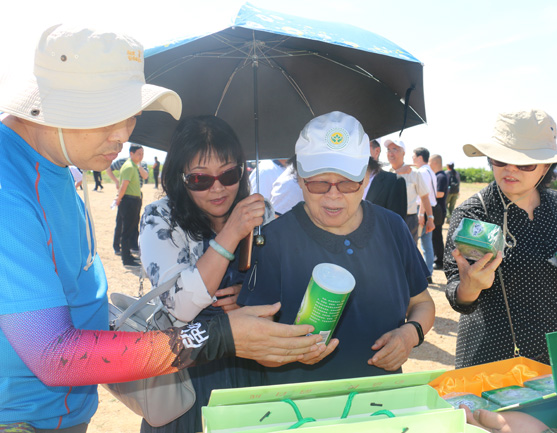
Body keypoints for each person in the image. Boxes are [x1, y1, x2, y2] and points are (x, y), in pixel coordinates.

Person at [0, 24, 322, 432]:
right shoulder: (7, 190)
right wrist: (218, 337)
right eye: (105, 117)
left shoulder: (61, 164)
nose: (122, 136)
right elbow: (53, 354)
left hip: (63, 411)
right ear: (51, 104)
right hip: (20, 417)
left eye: (131, 116)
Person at [238, 111, 435, 385]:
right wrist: (291, 352)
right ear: (299, 179)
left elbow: (422, 303)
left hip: (382, 402)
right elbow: (255, 340)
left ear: (366, 177)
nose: (333, 194)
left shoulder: (393, 227)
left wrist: (410, 334)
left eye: (347, 182)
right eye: (318, 182)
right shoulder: (274, 240)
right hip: (299, 406)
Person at [139, 116, 272, 433]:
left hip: (251, 371)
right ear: (179, 178)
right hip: (186, 379)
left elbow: (280, 285)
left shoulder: (259, 212)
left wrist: (251, 295)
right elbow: (180, 307)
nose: (218, 189)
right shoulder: (161, 218)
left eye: (229, 174)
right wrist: (231, 234)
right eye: (200, 180)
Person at [445, 109, 557, 368]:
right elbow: (456, 293)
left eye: (525, 164)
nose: (510, 170)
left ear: (546, 167)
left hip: (554, 351)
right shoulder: (473, 213)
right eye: (500, 160)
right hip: (492, 357)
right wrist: (470, 287)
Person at [385, 139, 434, 243]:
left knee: (409, 253)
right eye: (388, 150)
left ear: (404, 153)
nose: (391, 153)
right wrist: (398, 173)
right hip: (387, 219)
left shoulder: (414, 174)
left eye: (395, 149)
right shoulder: (383, 173)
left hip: (408, 220)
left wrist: (430, 218)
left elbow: (424, 196)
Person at [116, 144, 148, 266]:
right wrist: (118, 199)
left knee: (130, 229)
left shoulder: (135, 166)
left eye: (142, 153)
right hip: (129, 201)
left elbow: (145, 176)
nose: (141, 156)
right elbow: (124, 185)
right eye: (139, 153)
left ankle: (128, 256)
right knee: (127, 231)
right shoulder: (129, 167)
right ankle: (126, 259)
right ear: (131, 153)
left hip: (134, 200)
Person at [364, 140, 407, 220]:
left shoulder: (394, 181)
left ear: (376, 151)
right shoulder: (346, 179)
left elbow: (395, 223)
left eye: (363, 145)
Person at [412, 147, 437, 278]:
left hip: (423, 210)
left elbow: (424, 196)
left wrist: (421, 214)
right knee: (427, 243)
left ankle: (422, 272)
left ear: (420, 157)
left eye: (414, 156)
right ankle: (428, 273)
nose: (412, 159)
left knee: (417, 242)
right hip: (431, 209)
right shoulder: (431, 171)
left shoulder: (421, 172)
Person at [429, 154, 449, 270]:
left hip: (439, 211)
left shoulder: (440, 176)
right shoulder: (438, 175)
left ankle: (439, 261)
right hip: (437, 210)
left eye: (430, 162)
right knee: (435, 236)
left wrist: (426, 194)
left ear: (435, 163)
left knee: (436, 236)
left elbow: (440, 193)